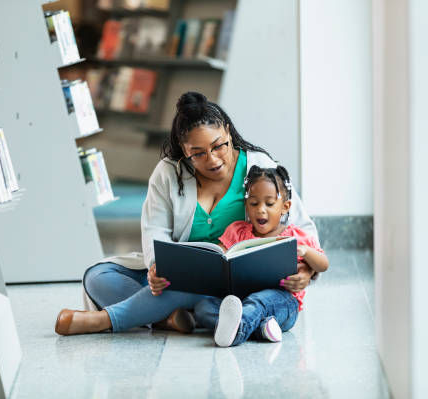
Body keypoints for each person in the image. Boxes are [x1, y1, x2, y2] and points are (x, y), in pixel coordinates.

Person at [54, 92, 320, 336]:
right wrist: (157, 267)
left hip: (243, 282)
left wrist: (306, 270)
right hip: (184, 276)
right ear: (184, 150)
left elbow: (302, 229)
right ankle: (170, 318)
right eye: (199, 153)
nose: (213, 160)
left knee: (183, 290)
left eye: (219, 146)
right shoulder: (168, 173)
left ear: (228, 131)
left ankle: (108, 320)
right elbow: (155, 229)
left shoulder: (259, 167)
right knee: (98, 277)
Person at [197, 165, 329, 347]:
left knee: (259, 302)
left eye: (269, 203)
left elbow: (323, 264)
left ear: (285, 207)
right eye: (254, 203)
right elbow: (219, 255)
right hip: (240, 299)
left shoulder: (295, 236)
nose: (260, 210)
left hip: (281, 303)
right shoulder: (238, 231)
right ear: (246, 205)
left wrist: (305, 252)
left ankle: (237, 330)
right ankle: (261, 329)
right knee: (203, 307)